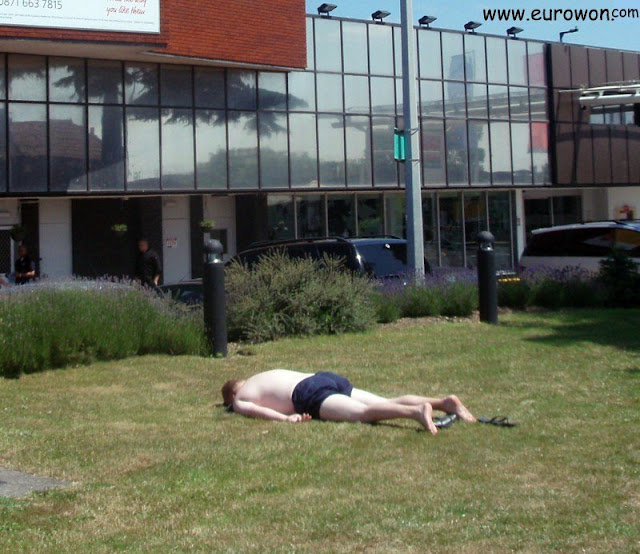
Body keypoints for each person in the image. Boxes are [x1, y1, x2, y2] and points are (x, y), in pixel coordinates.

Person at [221, 369, 476, 435]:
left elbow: (254, 410)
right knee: (383, 401)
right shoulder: (261, 375)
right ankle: (444, 402)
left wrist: (287, 418)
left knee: (363, 413)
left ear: (232, 395)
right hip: (322, 377)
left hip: (307, 393)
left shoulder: (240, 398)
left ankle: (416, 412)